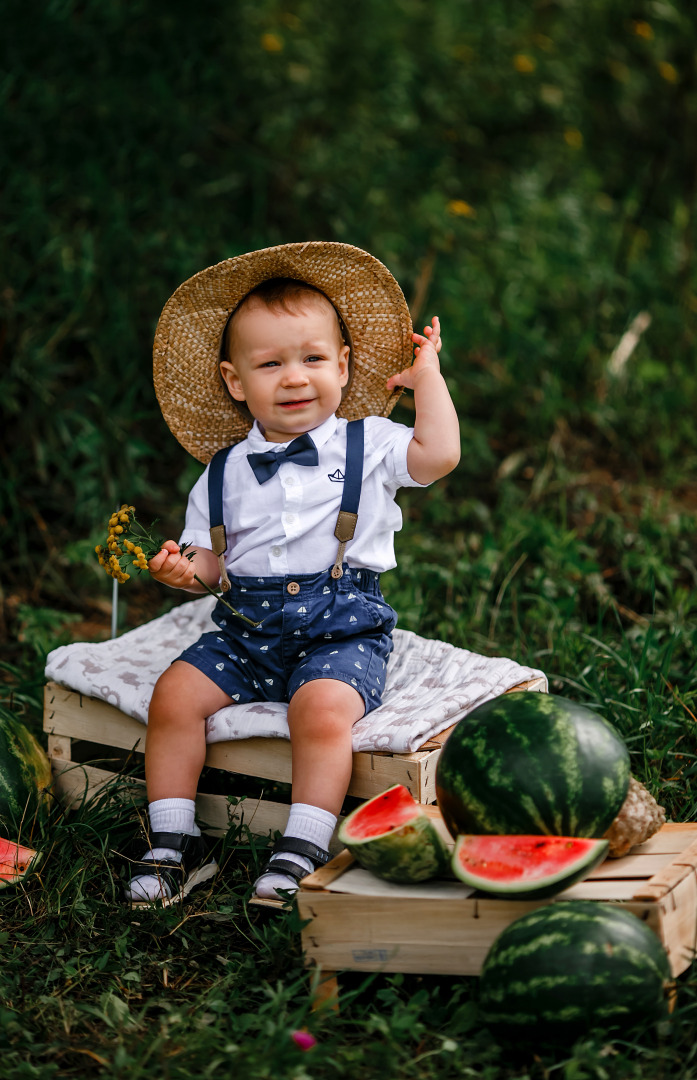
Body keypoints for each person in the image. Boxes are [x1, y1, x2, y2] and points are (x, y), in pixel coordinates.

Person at [127, 242, 460, 905]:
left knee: (321, 710)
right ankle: (174, 838)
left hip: (341, 630)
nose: (294, 377)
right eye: (269, 363)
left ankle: (302, 843)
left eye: (312, 359)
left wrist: (428, 380)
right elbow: (212, 565)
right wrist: (181, 570)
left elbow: (439, 456)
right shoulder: (222, 471)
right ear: (234, 381)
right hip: (244, 632)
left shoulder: (371, 444)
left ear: (341, 365)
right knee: (171, 696)